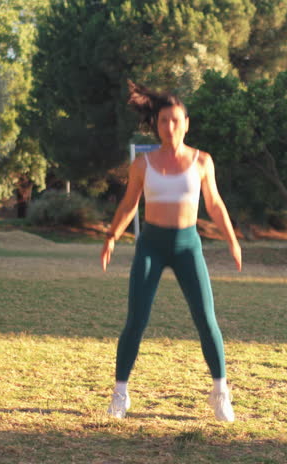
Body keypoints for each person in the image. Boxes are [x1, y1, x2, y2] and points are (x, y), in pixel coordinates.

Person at [100, 80, 242, 422]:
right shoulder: (143, 164)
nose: (170, 126)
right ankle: (120, 393)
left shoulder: (202, 161)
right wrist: (112, 237)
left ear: (186, 123)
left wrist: (232, 240)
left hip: (187, 246)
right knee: (136, 320)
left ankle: (220, 392)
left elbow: (215, 204)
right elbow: (129, 205)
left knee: (206, 320)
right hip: (151, 245)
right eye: (164, 121)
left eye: (176, 120)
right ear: (156, 125)